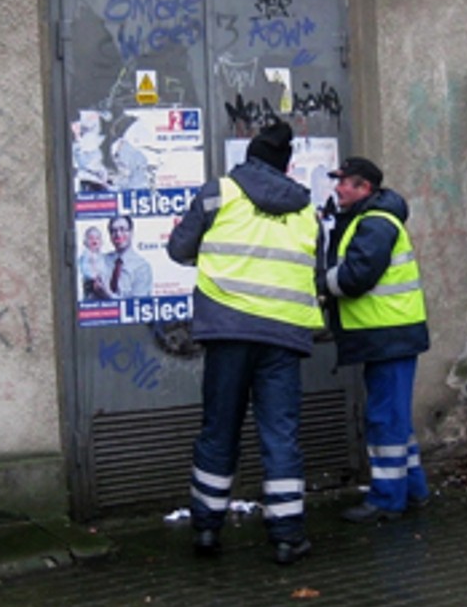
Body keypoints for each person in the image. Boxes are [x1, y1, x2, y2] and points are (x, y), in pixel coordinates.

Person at [167, 120, 325, 565]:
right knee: (280, 436)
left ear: (250, 157)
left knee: (219, 429)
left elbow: (179, 249)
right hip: (283, 337)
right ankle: (287, 537)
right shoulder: (305, 209)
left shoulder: (219, 193)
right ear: (286, 164)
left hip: (228, 331)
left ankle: (206, 531)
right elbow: (316, 270)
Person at [321, 157, 431, 524]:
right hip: (389, 334)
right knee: (395, 418)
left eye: (346, 183)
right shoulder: (369, 219)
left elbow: (356, 277)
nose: (338, 188)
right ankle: (413, 489)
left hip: (389, 335)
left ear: (364, 188)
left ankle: (387, 500)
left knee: (384, 419)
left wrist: (320, 284)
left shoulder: (375, 223)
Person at [94, 214, 152, 299]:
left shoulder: (142, 267)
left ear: (131, 233)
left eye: (122, 229)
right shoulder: (102, 261)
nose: (118, 234)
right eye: (113, 231)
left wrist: (108, 295)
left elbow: (136, 304)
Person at [78, 225, 107, 300]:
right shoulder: (86, 255)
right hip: (90, 283)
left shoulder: (101, 256)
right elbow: (84, 268)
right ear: (85, 242)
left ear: (101, 242)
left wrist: (102, 277)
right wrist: (93, 277)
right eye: (91, 238)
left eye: (97, 238)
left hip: (100, 283)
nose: (94, 240)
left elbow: (103, 268)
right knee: (90, 298)